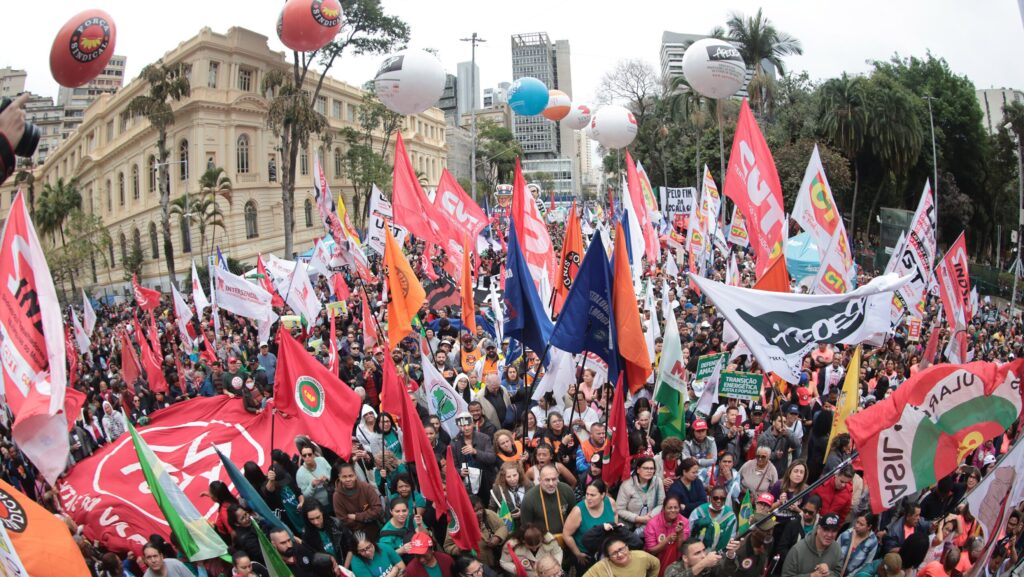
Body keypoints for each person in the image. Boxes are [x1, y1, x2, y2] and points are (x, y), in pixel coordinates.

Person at [563, 479, 617, 565]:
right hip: (586, 555)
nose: (588, 498)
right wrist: (577, 554)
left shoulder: (610, 502)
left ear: (602, 495)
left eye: (592, 495)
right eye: (587, 494)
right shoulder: (578, 511)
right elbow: (566, 534)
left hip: (606, 551)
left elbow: (615, 514)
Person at [332, 462, 384, 542]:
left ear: (355, 475)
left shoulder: (366, 487)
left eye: (350, 476)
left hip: (375, 529)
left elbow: (377, 509)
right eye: (344, 477)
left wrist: (356, 516)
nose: (348, 479)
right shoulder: (337, 496)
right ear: (339, 477)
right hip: (357, 536)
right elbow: (343, 520)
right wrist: (367, 517)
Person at [520, 464, 575, 537]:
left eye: (554, 479)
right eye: (547, 480)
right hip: (542, 542)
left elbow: (574, 517)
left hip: (567, 538)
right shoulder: (529, 498)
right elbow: (526, 528)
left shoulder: (567, 490)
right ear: (539, 480)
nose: (551, 484)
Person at [617, 457, 665, 533]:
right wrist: (637, 519)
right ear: (638, 470)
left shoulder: (657, 482)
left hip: (650, 523)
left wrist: (650, 517)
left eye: (651, 469)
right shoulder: (627, 485)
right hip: (629, 526)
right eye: (646, 468)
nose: (649, 471)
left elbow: (661, 504)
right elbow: (619, 509)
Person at [302, 501, 357, 567]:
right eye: (311, 519)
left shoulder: (336, 524)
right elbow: (313, 558)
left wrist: (345, 569)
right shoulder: (306, 535)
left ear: (322, 513)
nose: (316, 522)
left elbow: (351, 545)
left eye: (318, 517)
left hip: (348, 565)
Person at [645, 495, 691, 573]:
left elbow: (682, 550)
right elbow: (651, 551)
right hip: (656, 562)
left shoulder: (684, 522)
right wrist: (667, 540)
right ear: (663, 508)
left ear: (679, 508)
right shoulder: (652, 523)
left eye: (676, 507)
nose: (673, 510)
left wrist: (680, 534)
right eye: (670, 508)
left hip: (676, 563)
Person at [720, 513, 775, 577]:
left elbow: (765, 560)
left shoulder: (769, 542)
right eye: (766, 530)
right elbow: (727, 572)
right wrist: (730, 556)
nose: (770, 533)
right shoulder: (738, 549)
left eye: (771, 529)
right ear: (754, 531)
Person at [500, 524, 564, 577]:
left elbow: (557, 552)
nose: (534, 549)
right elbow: (504, 562)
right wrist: (517, 569)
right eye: (530, 547)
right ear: (523, 541)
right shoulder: (511, 545)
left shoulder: (548, 538)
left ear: (542, 539)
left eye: (537, 546)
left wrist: (555, 567)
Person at [688, 486, 737, 553]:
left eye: (722, 499)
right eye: (715, 498)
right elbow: (689, 533)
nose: (719, 501)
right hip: (697, 551)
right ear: (710, 498)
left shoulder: (730, 516)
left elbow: (731, 537)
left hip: (718, 553)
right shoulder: (698, 512)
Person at [581, 537, 661, 577]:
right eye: (614, 553)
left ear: (627, 547)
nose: (620, 555)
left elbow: (656, 563)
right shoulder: (602, 566)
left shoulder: (642, 557)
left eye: (621, 549)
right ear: (609, 557)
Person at [296, 445, 333, 510]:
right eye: (304, 455)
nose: (307, 457)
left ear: (313, 454)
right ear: (302, 457)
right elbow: (304, 496)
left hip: (333, 497)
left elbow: (333, 476)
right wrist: (312, 486)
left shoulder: (322, 460)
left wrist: (327, 478)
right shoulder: (299, 473)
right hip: (319, 506)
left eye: (309, 454)